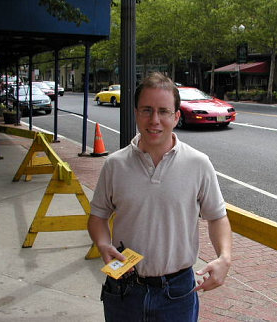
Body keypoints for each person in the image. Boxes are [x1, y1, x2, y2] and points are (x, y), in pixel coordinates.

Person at [88, 72, 232, 321]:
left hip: (178, 292)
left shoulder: (198, 164)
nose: (154, 120)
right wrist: (103, 244)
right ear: (136, 113)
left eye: (163, 111)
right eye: (147, 110)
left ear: (176, 116)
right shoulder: (115, 164)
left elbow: (217, 217)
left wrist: (224, 257)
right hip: (123, 286)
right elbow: (98, 216)